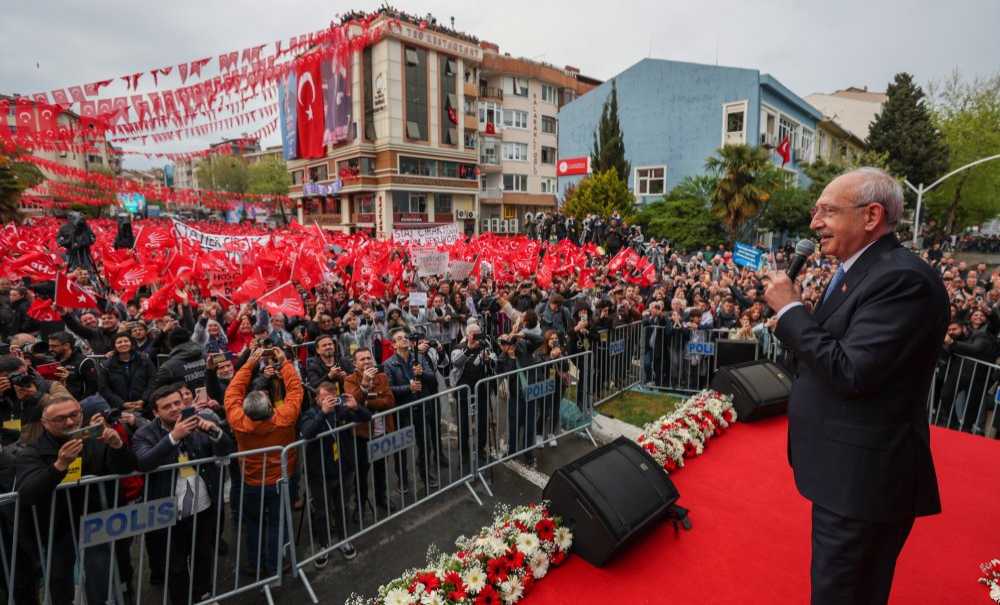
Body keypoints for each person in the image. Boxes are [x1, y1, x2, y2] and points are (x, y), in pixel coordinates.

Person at [762, 168, 947, 605]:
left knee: (842, 593)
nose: (814, 224)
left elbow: (851, 371)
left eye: (827, 211)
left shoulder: (902, 280)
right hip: (844, 474)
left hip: (864, 483)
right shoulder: (859, 270)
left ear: (871, 216)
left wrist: (791, 311)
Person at [15, 394, 137, 605]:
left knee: (100, 575)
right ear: (45, 423)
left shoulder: (93, 440)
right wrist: (59, 466)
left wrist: (118, 446)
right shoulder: (31, 450)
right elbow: (27, 493)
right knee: (60, 580)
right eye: (60, 419)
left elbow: (125, 468)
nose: (70, 422)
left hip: (95, 521)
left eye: (74, 415)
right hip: (55, 526)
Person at [134, 384, 233, 604]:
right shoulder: (145, 433)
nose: (174, 408)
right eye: (166, 406)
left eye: (177, 403)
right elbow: (144, 462)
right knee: (174, 565)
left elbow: (226, 450)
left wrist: (215, 432)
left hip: (202, 505)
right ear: (155, 412)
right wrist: (173, 437)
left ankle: (204, 595)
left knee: (203, 557)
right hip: (168, 512)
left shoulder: (197, 424)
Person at [224, 347, 304, 578]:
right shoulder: (285, 417)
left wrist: (249, 363)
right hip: (281, 480)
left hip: (251, 482)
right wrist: (285, 362)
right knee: (277, 522)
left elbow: (232, 393)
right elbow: (295, 390)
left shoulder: (239, 421)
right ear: (270, 408)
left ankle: (256, 564)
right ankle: (275, 562)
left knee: (254, 524)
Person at [298, 381, 370, 565]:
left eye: (332, 397)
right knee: (321, 511)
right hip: (319, 472)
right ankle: (323, 545)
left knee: (342, 506)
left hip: (343, 469)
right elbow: (307, 433)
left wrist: (357, 407)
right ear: (317, 398)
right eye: (325, 398)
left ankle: (343, 539)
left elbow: (366, 417)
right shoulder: (310, 414)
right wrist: (323, 413)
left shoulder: (341, 411)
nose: (330, 401)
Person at [343, 347, 396, 516]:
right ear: (355, 364)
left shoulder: (382, 377)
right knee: (361, 472)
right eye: (362, 359)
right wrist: (365, 384)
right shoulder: (350, 380)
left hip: (381, 431)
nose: (366, 362)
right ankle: (360, 505)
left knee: (381, 468)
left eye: (368, 358)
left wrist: (368, 403)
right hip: (362, 434)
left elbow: (390, 401)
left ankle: (382, 498)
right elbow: (353, 404)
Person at [98, 333, 155, 412]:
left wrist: (144, 399)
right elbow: (104, 388)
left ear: (131, 343)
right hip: (119, 409)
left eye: (126, 341)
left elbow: (152, 380)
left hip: (144, 406)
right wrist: (121, 403)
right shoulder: (106, 365)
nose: (123, 344)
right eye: (119, 342)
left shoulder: (144, 359)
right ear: (114, 346)